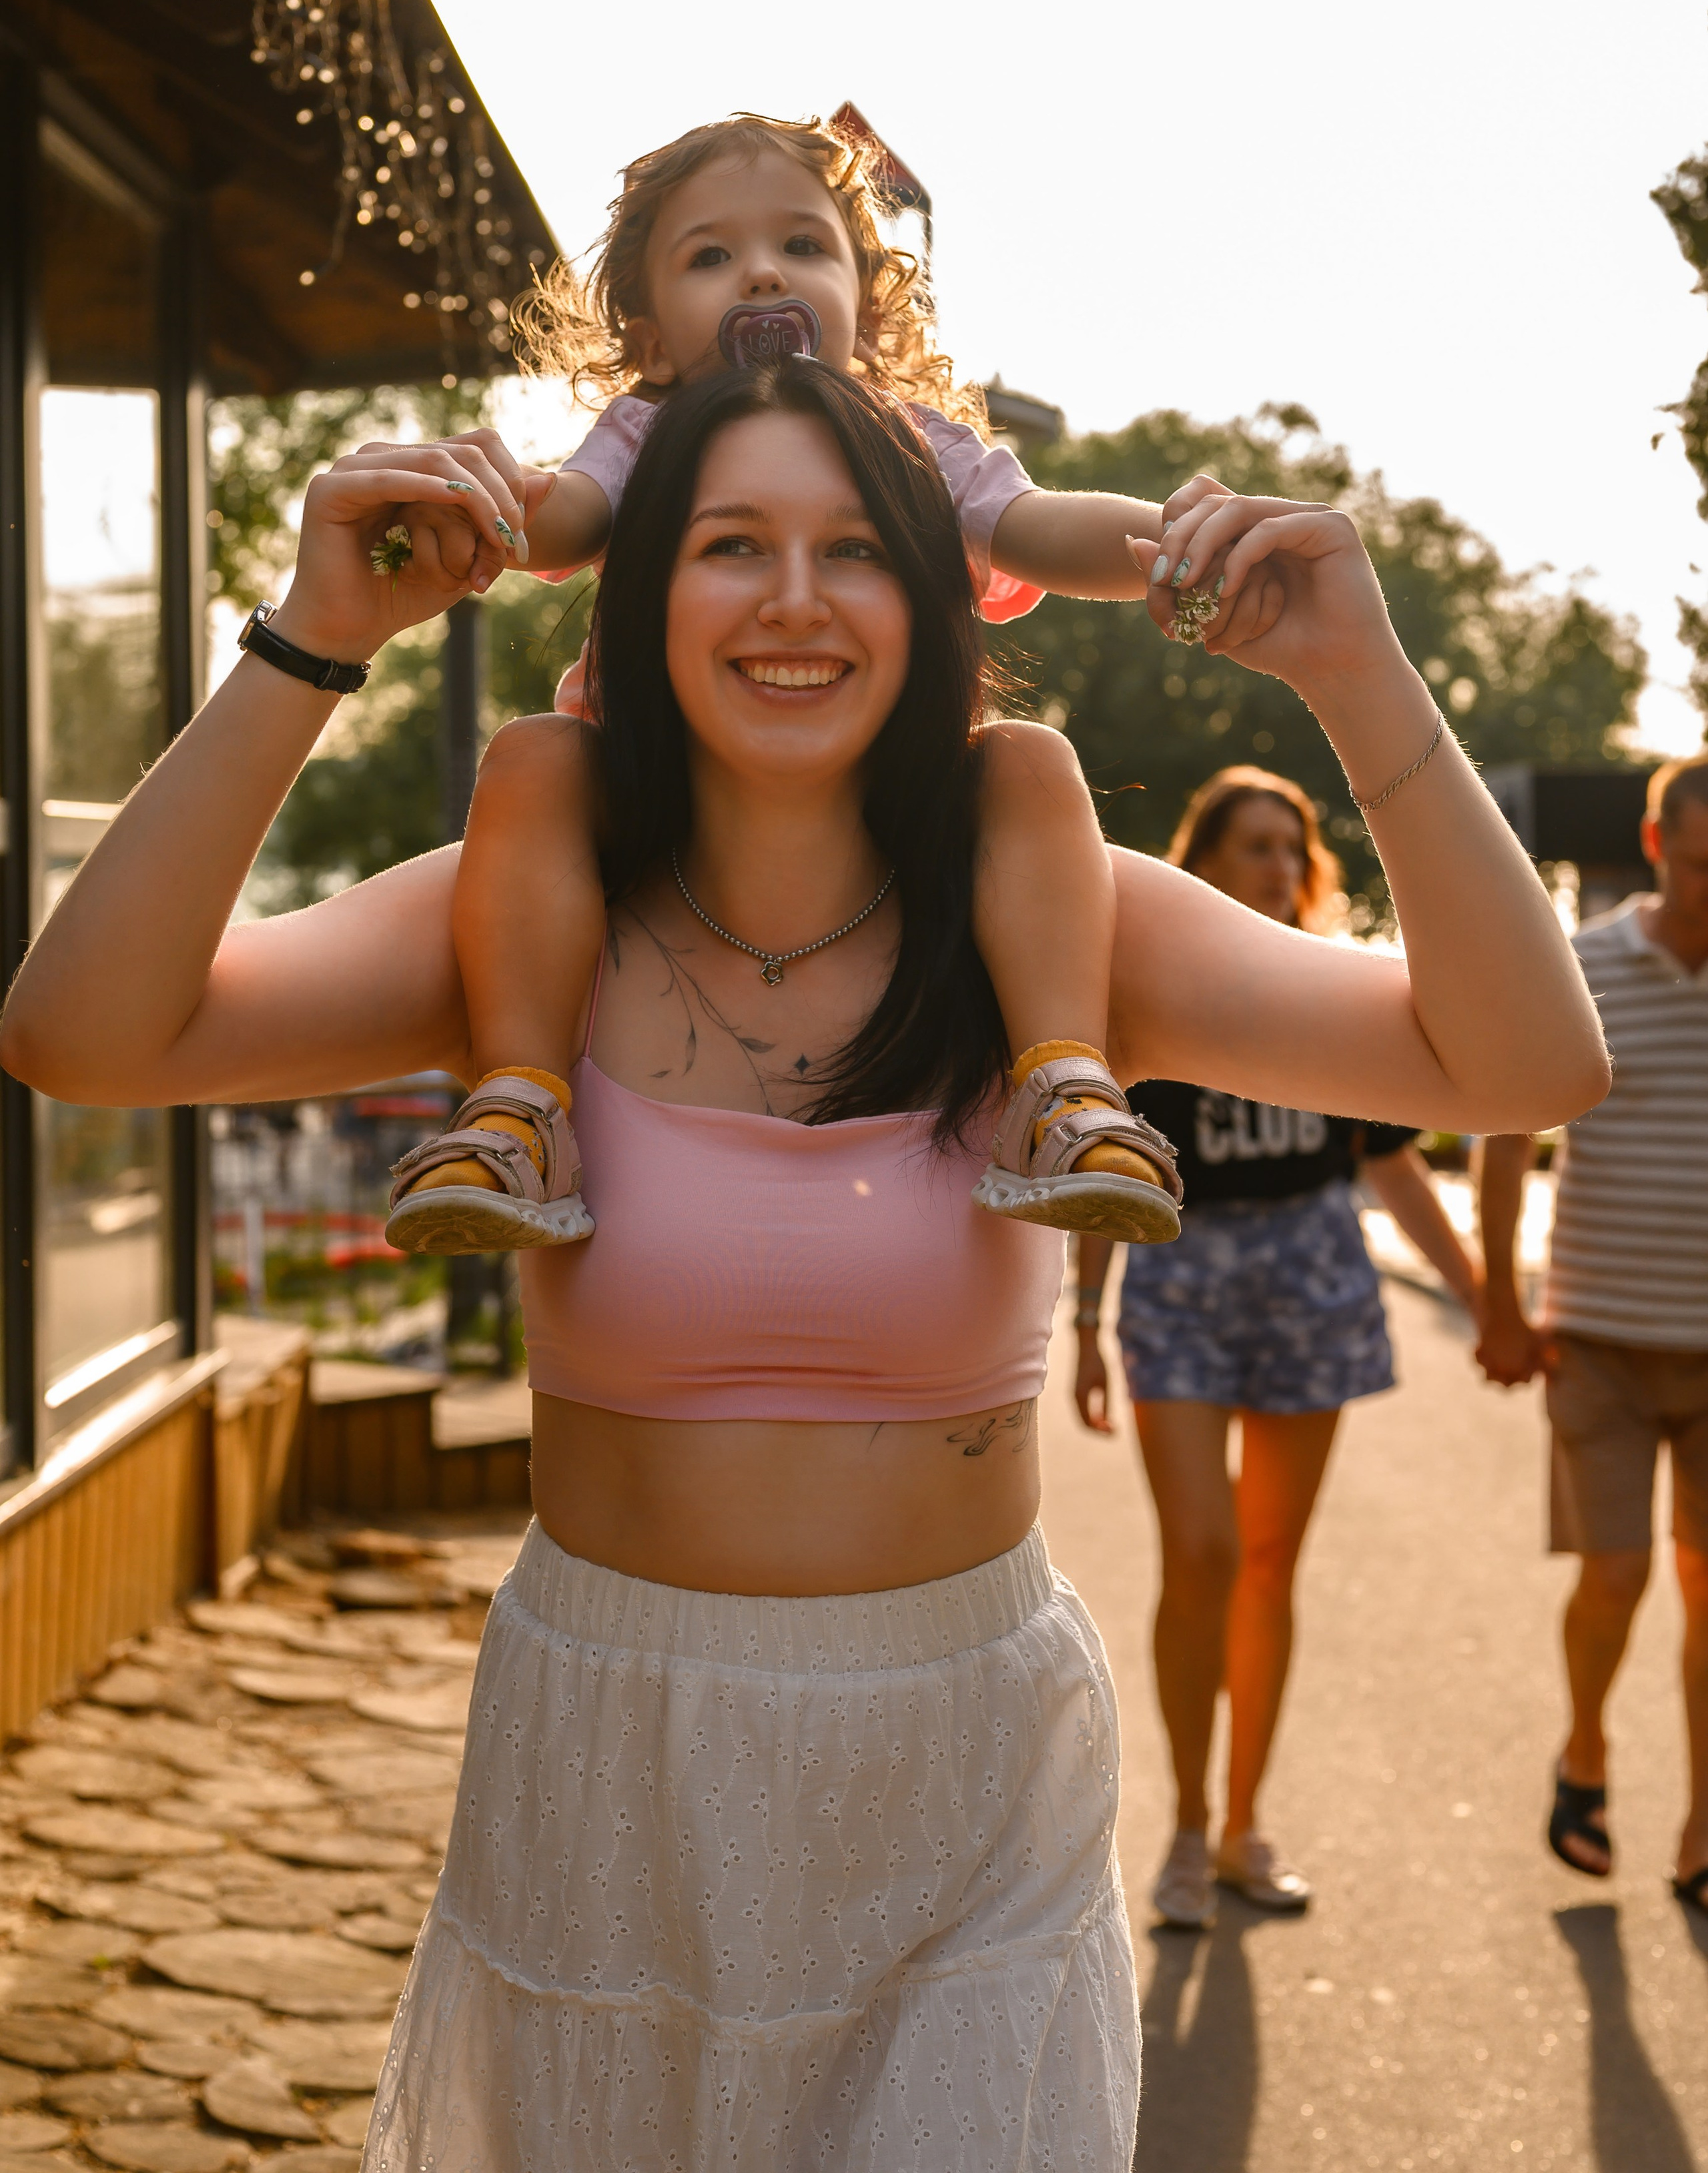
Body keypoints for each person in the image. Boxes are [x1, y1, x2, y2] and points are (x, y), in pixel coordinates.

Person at [1, 366, 1607, 2170]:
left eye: (855, 549)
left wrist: (1356, 677)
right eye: (730, 545)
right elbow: (84, 1033)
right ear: (638, 596)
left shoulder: (1055, 922)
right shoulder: (525, 909)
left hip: (968, 1779)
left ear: (935, 605)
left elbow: (1528, 1070)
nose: (792, 597)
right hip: (612, 1767)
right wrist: (311, 640)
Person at [376, 112, 1192, 1260]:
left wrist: (1183, 540)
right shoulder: (643, 433)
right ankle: (520, 1102)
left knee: (1030, 764)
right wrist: (474, 498)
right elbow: (562, 514)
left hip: (886, 799)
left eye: (804, 247)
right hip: (655, 790)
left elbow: (1035, 524)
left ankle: (1062, 1087)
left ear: (865, 307)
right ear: (653, 343)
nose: (762, 269)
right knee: (530, 761)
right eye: (711, 256)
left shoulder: (915, 445)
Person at [1073, 768, 1485, 1928]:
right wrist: (1089, 1328)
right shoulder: (1155, 987)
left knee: (1266, 1563)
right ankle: (1188, 1829)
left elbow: (1390, 1160)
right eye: (1251, 845)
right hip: (1184, 1272)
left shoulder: (1331, 990)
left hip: (1311, 1272)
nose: (1273, 865)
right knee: (1197, 1551)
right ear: (1201, 862)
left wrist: (1487, 1299)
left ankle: (1246, 1824)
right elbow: (1105, 1159)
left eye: (1288, 847)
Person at [1477, 751, 1708, 1915]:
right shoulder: (1583, 961)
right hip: (1602, 1334)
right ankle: (1585, 1756)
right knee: (1615, 1577)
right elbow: (1511, 1131)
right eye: (1706, 865)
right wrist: (1501, 1304)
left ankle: (1704, 1833)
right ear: (1660, 846)